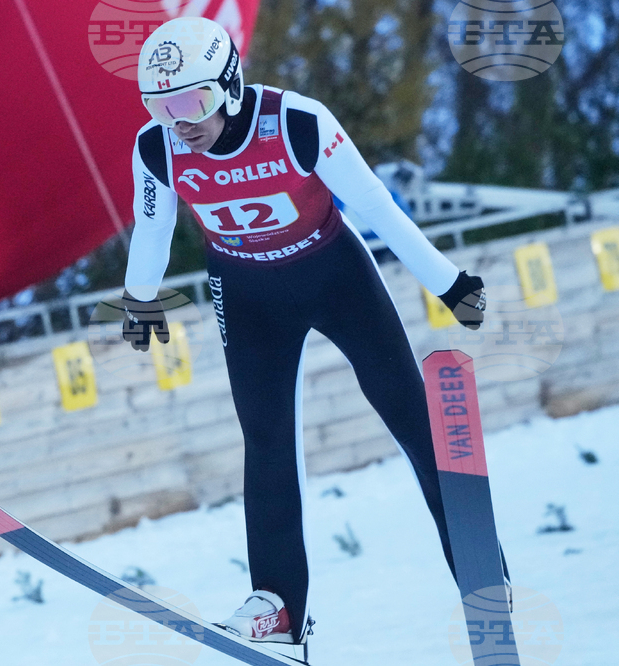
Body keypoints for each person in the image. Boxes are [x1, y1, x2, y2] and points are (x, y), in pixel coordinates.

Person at [118, 16, 494, 649]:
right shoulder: (156, 148)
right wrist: (140, 301)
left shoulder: (298, 122)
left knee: (412, 421)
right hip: (245, 295)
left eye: (191, 101)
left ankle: (483, 575)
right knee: (265, 443)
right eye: (160, 105)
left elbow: (377, 207)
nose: (178, 121)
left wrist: (449, 282)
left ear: (230, 85)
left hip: (334, 276)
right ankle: (278, 604)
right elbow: (152, 229)